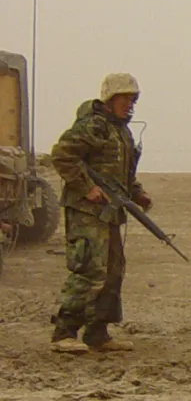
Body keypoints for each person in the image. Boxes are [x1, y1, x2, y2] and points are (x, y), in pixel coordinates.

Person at [49, 72, 148, 354]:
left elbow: (122, 174)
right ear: (110, 98)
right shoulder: (92, 126)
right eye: (125, 99)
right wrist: (86, 187)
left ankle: (98, 332)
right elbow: (62, 155)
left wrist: (138, 193)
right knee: (90, 269)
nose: (130, 105)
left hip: (111, 212)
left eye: (133, 99)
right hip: (86, 211)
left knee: (114, 270)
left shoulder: (121, 132)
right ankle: (64, 332)